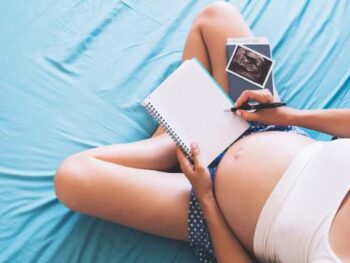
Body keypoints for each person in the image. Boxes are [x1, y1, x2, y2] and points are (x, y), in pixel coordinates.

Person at [54, 2, 350, 263]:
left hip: (210, 201)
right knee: (216, 16)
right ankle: (181, 134)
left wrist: (205, 195)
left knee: (72, 176)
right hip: (265, 121)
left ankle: (174, 139)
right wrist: (288, 114)